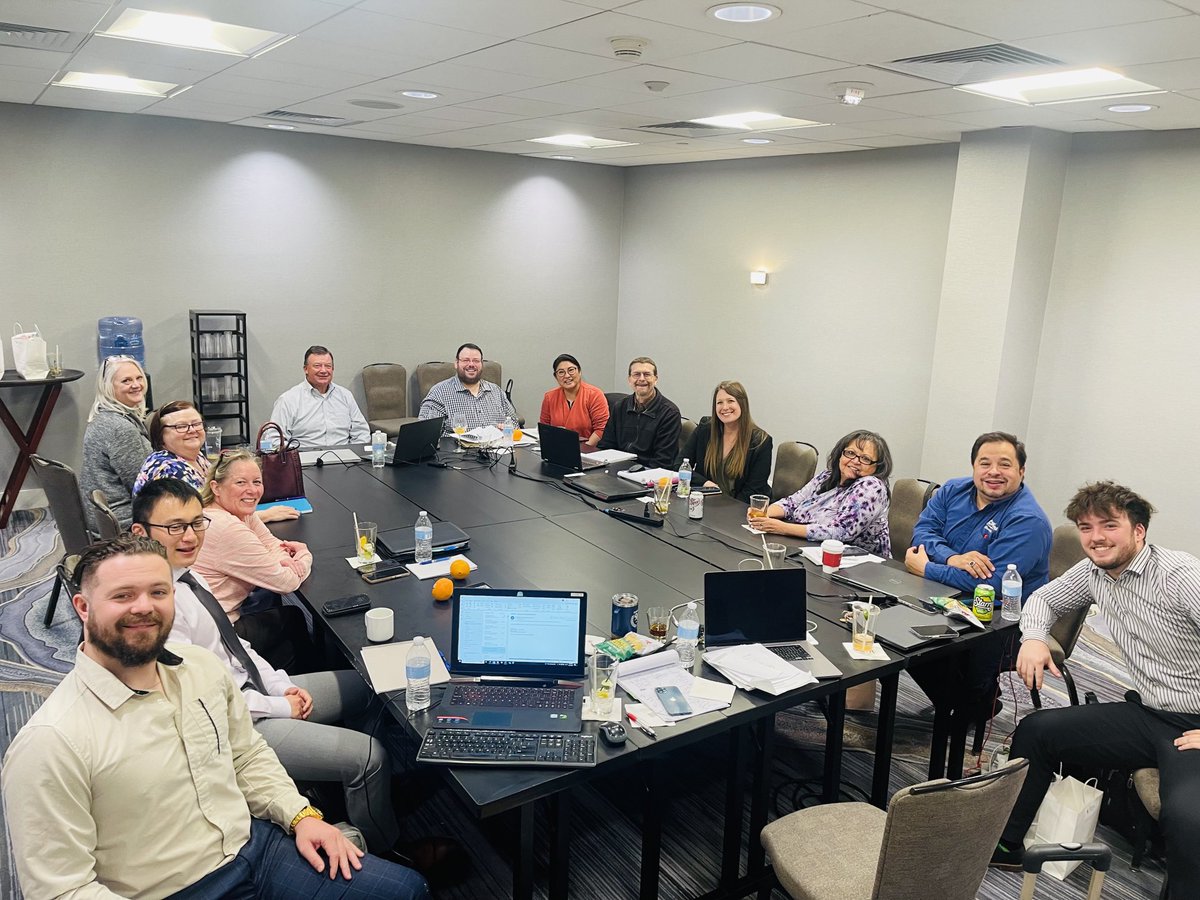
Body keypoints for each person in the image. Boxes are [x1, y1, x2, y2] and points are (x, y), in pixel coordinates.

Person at [0, 534, 429, 900]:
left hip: (254, 846)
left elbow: (246, 755)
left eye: (158, 591)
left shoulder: (199, 668)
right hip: (174, 890)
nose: (144, 607)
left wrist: (301, 816)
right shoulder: (50, 743)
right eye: (123, 595)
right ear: (83, 607)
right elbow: (63, 890)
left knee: (407, 889)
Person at [131, 479, 404, 856]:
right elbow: (203, 706)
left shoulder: (186, 575)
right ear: (141, 532)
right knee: (371, 757)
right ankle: (385, 849)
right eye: (175, 527)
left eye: (197, 523)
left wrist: (278, 686)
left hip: (257, 694)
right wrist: (280, 707)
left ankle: (345, 792)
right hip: (239, 726)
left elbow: (235, 645)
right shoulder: (156, 608)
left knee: (372, 686)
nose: (191, 536)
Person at [991, 482, 1200, 898]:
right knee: (1037, 732)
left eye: (1109, 525)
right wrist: (1033, 637)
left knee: (1188, 818)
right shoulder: (1093, 573)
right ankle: (1006, 845)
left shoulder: (1180, 576)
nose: (1096, 537)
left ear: (1139, 531)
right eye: (1086, 528)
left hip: (1193, 725)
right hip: (1147, 712)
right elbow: (1043, 601)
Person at [904, 431, 1052, 714]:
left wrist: (927, 567)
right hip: (945, 595)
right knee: (886, 621)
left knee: (919, 642)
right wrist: (952, 558)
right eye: (985, 463)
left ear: (1021, 471)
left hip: (1002, 618)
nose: (994, 472)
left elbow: (991, 584)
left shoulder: (1028, 521)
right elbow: (922, 533)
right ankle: (965, 698)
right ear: (973, 467)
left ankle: (975, 702)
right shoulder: (952, 490)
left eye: (1005, 464)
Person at [193, 448, 318, 672]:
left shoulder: (237, 513)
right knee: (293, 618)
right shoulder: (227, 528)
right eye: (241, 483)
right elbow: (286, 583)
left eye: (257, 482)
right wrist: (304, 556)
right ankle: (307, 685)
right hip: (217, 634)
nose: (252, 490)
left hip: (210, 622)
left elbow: (271, 544)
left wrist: (280, 558)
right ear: (216, 487)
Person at [134, 401, 298, 523]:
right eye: (181, 426)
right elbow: (202, 518)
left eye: (196, 424)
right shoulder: (167, 468)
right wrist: (265, 515)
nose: (192, 430)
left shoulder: (195, 457)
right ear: (160, 436)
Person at [750, 429, 892, 556]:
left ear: (877, 467)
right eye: (850, 453)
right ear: (840, 454)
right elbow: (792, 502)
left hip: (859, 569)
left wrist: (781, 528)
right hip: (809, 551)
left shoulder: (871, 486)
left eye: (865, 458)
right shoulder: (827, 476)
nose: (855, 461)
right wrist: (763, 514)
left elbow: (841, 532)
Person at [79, 354, 151, 530]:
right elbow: (143, 486)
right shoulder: (119, 428)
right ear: (108, 387)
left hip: (101, 516)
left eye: (139, 378)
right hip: (124, 521)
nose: (136, 385)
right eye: (126, 381)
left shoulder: (103, 416)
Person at [677, 381, 773, 503]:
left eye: (730, 401)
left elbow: (754, 489)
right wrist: (705, 483)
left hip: (739, 508)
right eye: (719, 403)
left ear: (742, 404)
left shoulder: (761, 441)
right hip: (706, 502)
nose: (725, 407)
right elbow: (679, 464)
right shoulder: (705, 428)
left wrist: (726, 510)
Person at [271, 345, 369, 448]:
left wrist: (353, 452)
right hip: (304, 459)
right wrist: (296, 454)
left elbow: (361, 432)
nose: (323, 371)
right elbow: (275, 439)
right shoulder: (288, 400)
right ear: (306, 369)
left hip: (345, 459)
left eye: (328, 366)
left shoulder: (345, 396)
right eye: (317, 366)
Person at [597, 356, 681, 468]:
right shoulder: (620, 406)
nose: (641, 379)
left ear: (656, 379)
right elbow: (606, 445)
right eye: (636, 374)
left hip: (647, 474)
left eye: (647, 374)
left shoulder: (669, 413)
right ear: (629, 379)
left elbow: (663, 461)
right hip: (616, 468)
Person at [418, 342, 516, 430]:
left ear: (482, 364)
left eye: (476, 361)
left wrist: (507, 428)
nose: (471, 364)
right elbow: (426, 431)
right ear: (456, 364)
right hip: (456, 449)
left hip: (496, 448)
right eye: (466, 360)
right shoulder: (439, 392)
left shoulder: (496, 391)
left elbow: (514, 423)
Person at [539, 353, 609, 445]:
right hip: (558, 447)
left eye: (571, 370)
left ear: (579, 371)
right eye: (561, 372)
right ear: (556, 377)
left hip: (588, 450)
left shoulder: (594, 394)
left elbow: (601, 429)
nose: (567, 375)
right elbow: (545, 428)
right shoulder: (549, 397)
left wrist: (584, 449)